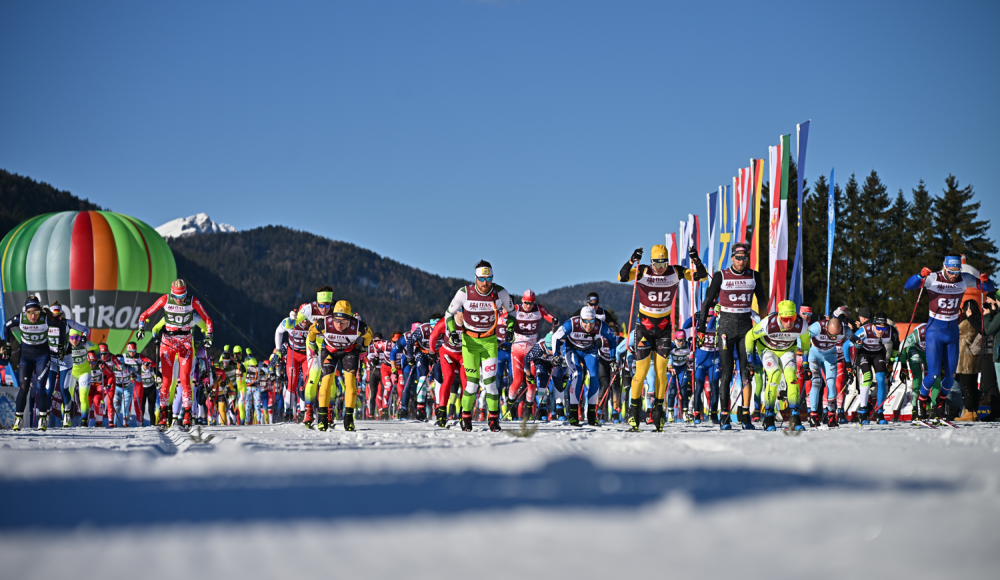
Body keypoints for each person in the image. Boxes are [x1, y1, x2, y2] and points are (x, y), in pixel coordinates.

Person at [619, 244, 707, 432]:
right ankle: (634, 410)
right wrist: (631, 260)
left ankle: (658, 410)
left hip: (664, 329)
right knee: (641, 373)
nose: (660, 268)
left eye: (663, 263)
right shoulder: (642, 271)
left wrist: (696, 260)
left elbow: (702, 276)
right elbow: (622, 277)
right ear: (651, 262)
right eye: (657, 264)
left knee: (661, 373)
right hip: (644, 328)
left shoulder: (676, 271)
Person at [904, 257, 992, 421]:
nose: (953, 275)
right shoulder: (933, 278)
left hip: (952, 332)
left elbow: (988, 287)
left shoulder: (964, 279)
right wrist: (919, 276)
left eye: (956, 272)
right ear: (944, 267)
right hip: (934, 332)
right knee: (934, 374)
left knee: (951, 377)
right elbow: (908, 286)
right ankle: (922, 401)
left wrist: (986, 280)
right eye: (951, 272)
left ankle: (941, 402)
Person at [699, 242, 767, 430]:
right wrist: (701, 329)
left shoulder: (754, 275)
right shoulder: (721, 276)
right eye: (738, 258)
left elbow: (761, 302)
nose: (741, 262)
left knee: (747, 372)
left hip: (746, 329)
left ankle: (745, 415)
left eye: (744, 258)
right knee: (727, 372)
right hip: (726, 330)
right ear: (732, 258)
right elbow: (707, 303)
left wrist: (765, 327)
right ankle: (724, 416)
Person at [445, 260, 516, 432]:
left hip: (489, 342)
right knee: (472, 384)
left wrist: (510, 329)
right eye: (482, 279)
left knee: (491, 383)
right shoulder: (464, 292)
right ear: (475, 278)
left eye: (489, 278)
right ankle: (466, 417)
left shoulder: (500, 292)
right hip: (470, 343)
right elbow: (449, 314)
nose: (485, 283)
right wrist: (453, 332)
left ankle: (493, 419)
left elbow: (512, 312)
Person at [137, 278, 213, 428]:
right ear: (172, 294)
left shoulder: (192, 301)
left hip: (185, 344)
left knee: (185, 380)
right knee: (166, 381)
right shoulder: (165, 299)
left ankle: (186, 415)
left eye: (182, 297)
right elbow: (144, 315)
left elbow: (207, 319)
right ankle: (164, 414)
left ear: (186, 293)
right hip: (168, 344)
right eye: (176, 297)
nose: (179, 300)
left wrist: (209, 335)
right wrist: (141, 328)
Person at [1, 296, 67, 431]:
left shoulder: (46, 318)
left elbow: (61, 325)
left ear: (40, 311)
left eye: (36, 313)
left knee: (40, 387)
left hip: (42, 355)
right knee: (24, 388)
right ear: (25, 312)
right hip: (26, 356)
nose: (33, 316)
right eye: (30, 312)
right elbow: (6, 326)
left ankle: (43, 418)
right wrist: (8, 346)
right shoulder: (21, 318)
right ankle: (18, 418)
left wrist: (61, 346)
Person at [307, 300, 373, 431]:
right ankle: (322, 418)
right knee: (326, 381)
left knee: (351, 382)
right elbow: (311, 332)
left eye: (343, 321)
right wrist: (313, 344)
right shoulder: (324, 322)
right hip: (329, 351)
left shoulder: (358, 326)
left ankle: (348, 418)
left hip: (349, 351)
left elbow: (369, 336)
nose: (338, 324)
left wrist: (364, 348)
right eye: (336, 320)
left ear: (350, 319)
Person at [745, 300, 808, 432]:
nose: (789, 322)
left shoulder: (802, 325)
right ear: (779, 316)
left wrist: (805, 363)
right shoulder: (768, 324)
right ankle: (769, 416)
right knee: (775, 374)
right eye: (785, 319)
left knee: (792, 376)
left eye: (792, 318)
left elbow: (806, 343)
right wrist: (750, 361)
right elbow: (749, 337)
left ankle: (795, 416)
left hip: (787, 349)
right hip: (767, 349)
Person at [551, 306, 618, 426]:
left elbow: (612, 338)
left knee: (594, 377)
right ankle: (573, 414)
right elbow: (556, 336)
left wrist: (613, 359)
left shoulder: (600, 325)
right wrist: (555, 355)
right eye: (585, 321)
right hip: (572, 350)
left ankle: (591, 415)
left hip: (590, 350)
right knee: (578, 375)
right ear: (581, 319)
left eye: (592, 321)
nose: (589, 324)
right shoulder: (572, 323)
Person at [505, 290, 557, 420]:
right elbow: (502, 318)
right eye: (526, 303)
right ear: (522, 300)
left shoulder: (538, 309)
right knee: (517, 382)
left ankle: (528, 410)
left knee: (532, 384)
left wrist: (553, 320)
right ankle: (510, 407)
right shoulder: (516, 308)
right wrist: (507, 329)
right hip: (517, 348)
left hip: (532, 349)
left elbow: (549, 316)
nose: (529, 306)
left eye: (531, 303)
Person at [43, 302, 90, 427]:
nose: (57, 318)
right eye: (55, 315)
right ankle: (45, 416)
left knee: (64, 389)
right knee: (49, 390)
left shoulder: (68, 322)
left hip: (65, 359)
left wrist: (84, 337)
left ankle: (67, 416)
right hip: (51, 359)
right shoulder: (45, 323)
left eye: (59, 315)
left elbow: (86, 329)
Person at [806, 315, 850, 427]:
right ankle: (813, 415)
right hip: (814, 355)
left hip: (830, 356)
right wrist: (804, 361)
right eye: (831, 335)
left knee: (831, 384)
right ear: (827, 328)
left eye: (837, 336)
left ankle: (831, 416)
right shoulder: (817, 327)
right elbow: (802, 338)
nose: (834, 338)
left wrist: (858, 343)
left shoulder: (845, 329)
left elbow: (855, 338)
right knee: (816, 383)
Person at [685, 309, 720, 424]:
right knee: (698, 387)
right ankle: (696, 413)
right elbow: (685, 326)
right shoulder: (699, 323)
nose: (709, 318)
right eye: (707, 316)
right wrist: (694, 317)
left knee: (714, 387)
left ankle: (713, 414)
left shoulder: (718, 322)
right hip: (701, 358)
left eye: (711, 316)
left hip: (714, 357)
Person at [429, 316, 465, 427]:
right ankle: (442, 411)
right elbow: (433, 335)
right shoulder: (447, 320)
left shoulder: (471, 319)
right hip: (447, 353)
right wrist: (431, 352)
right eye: (461, 312)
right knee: (449, 377)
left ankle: (464, 412)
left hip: (463, 354)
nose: (463, 315)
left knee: (466, 382)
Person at [956, 300, 984, 421]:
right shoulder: (978, 321)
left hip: (965, 359)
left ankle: (968, 412)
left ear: (968, 309)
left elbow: (955, 332)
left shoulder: (966, 322)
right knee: (972, 385)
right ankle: (974, 412)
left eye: (963, 308)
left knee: (966, 386)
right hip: (974, 359)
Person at [665, 330, 691, 423]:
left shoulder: (688, 345)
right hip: (672, 368)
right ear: (676, 339)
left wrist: (691, 357)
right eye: (679, 340)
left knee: (684, 390)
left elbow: (693, 352)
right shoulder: (672, 345)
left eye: (683, 340)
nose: (681, 342)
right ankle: (671, 413)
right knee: (673, 390)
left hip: (682, 369)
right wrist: (670, 366)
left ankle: (685, 413)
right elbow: (668, 356)